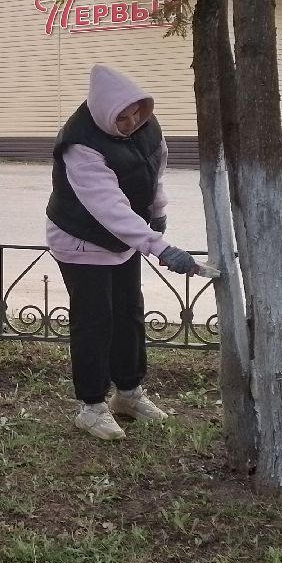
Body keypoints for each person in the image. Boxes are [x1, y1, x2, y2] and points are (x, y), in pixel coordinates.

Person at [45, 63, 204, 441]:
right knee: (96, 319)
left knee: (129, 312)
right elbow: (109, 208)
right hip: (81, 240)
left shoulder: (149, 127)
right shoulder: (80, 144)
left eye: (138, 112)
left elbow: (154, 174)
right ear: (102, 112)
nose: (132, 121)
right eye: (122, 117)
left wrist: (158, 214)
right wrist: (158, 245)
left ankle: (129, 394)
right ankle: (91, 406)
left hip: (124, 241)